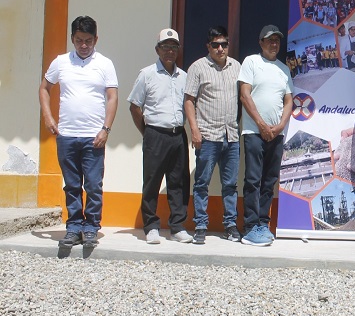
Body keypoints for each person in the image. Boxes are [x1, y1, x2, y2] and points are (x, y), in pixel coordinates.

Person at [39, 16, 118, 248]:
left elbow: (112, 97)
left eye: (88, 41)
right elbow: (44, 89)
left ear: (96, 39)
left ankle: (91, 227)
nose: (84, 45)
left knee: (93, 185)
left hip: (94, 136)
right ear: (72, 39)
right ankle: (74, 227)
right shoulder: (61, 62)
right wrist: (48, 116)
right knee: (72, 185)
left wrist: (106, 129)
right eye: (79, 40)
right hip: (66, 135)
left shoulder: (105, 64)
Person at [128, 29, 193, 244]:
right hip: (155, 134)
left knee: (179, 182)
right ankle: (152, 227)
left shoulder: (184, 77)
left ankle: (177, 227)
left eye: (173, 47)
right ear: (157, 49)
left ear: (178, 50)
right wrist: (147, 133)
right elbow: (135, 106)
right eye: (165, 46)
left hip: (178, 135)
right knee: (152, 182)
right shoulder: (147, 74)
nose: (169, 51)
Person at [184, 27, 241, 245]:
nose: (220, 48)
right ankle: (200, 225)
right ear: (208, 46)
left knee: (230, 185)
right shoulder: (198, 67)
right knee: (201, 183)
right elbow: (189, 100)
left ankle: (230, 226)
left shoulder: (236, 66)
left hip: (231, 135)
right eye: (216, 44)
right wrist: (194, 130)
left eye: (224, 44)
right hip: (207, 135)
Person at [238, 25, 294, 247]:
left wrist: (279, 126)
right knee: (253, 180)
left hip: (276, 135)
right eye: (270, 40)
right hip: (254, 132)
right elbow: (244, 95)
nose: (274, 44)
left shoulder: (283, 69)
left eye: (277, 41)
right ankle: (250, 228)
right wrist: (261, 124)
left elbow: (289, 100)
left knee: (269, 181)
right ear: (261, 43)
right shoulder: (251, 62)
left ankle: (263, 223)